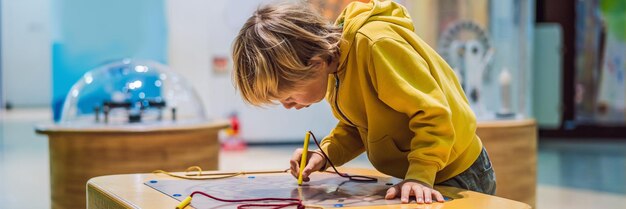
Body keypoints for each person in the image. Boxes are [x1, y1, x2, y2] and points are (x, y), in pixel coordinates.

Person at [232, 0, 496, 204]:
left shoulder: (376, 45)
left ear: (314, 64)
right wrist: (325, 155)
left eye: (288, 96)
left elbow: (434, 114)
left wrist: (420, 176)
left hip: (457, 170)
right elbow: (359, 124)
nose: (288, 105)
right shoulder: (335, 67)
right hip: (425, 171)